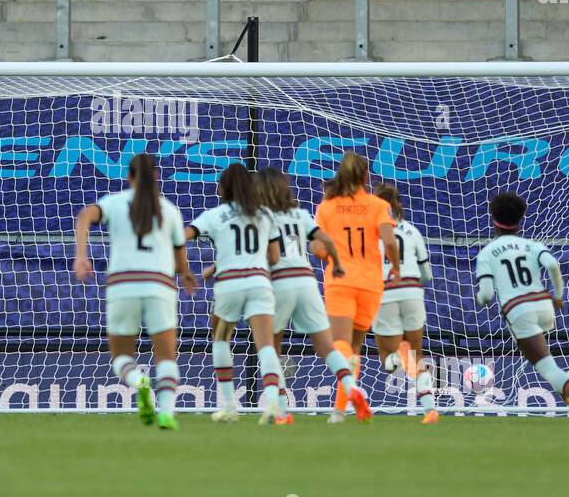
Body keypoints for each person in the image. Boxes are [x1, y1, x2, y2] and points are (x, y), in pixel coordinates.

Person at [74, 153, 197, 431]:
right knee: (166, 357)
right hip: (160, 286)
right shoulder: (170, 210)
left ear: (129, 177)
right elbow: (180, 260)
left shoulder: (115, 203)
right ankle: (167, 412)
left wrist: (81, 255)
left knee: (121, 358)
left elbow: (85, 216)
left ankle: (137, 381)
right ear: (156, 177)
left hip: (123, 285)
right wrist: (186, 273)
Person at [474, 191, 569, 423]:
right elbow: (553, 264)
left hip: (520, 310)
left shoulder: (486, 253)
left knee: (547, 368)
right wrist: (559, 295)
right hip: (544, 305)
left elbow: (486, 295)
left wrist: (480, 299)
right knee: (545, 359)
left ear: (493, 218)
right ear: (519, 218)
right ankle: (564, 388)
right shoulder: (532, 245)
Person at [255, 167, 364, 426]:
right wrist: (336, 262)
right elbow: (325, 239)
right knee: (326, 346)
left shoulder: (260, 216)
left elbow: (265, 254)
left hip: (280, 280)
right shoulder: (300, 214)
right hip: (306, 280)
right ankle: (353, 390)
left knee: (270, 346)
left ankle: (279, 409)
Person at [186, 162, 287, 424]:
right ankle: (274, 405)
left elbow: (183, 235)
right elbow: (274, 257)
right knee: (265, 344)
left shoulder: (214, 215)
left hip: (229, 285)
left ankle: (230, 406)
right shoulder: (265, 214)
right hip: (259, 282)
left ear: (225, 187)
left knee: (220, 339)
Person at [312, 152, 399, 423]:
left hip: (340, 281)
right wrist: (395, 266)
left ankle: (349, 395)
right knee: (355, 347)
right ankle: (340, 410)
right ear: (365, 177)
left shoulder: (327, 206)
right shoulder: (377, 205)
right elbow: (390, 242)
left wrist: (333, 256)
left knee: (340, 344)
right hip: (371, 283)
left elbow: (316, 247)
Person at [374, 184, 438, 424]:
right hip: (412, 291)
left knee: (387, 357)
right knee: (416, 355)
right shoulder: (412, 231)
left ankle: (396, 358)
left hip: (385, 292)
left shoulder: (370, 232)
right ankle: (429, 409)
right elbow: (427, 275)